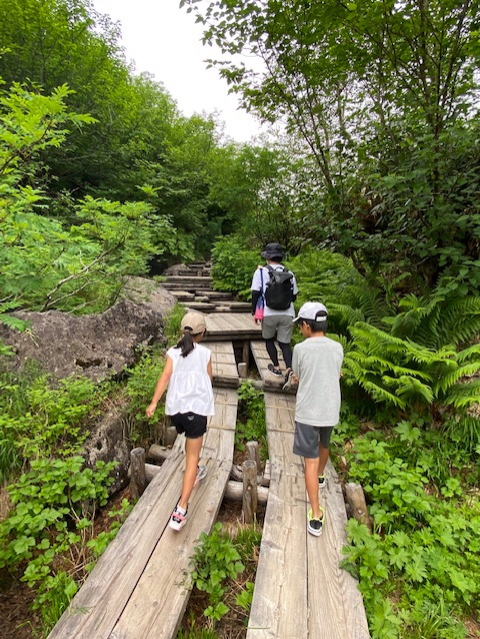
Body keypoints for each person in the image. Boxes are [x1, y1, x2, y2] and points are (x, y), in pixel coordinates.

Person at [146, 311, 214, 531]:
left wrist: (154, 403)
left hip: (176, 411)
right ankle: (181, 509)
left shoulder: (173, 353)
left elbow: (165, 377)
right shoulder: (205, 353)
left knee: (189, 445)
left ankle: (197, 468)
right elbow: (209, 378)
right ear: (202, 333)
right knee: (192, 456)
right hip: (196, 410)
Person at [291, 302, 344, 537]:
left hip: (308, 411)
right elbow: (336, 373)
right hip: (330, 408)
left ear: (306, 325)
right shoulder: (337, 347)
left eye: (300, 325)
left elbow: (298, 375)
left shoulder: (300, 349)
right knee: (325, 444)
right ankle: (321, 474)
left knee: (309, 463)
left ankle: (315, 513)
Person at [251, 242, 299, 386]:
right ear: (280, 257)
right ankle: (289, 369)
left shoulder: (261, 272)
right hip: (287, 313)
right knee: (285, 343)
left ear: (267, 258)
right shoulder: (289, 273)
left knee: (268, 339)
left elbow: (255, 293)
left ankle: (277, 367)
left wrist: (255, 312)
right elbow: (294, 296)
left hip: (268, 312)